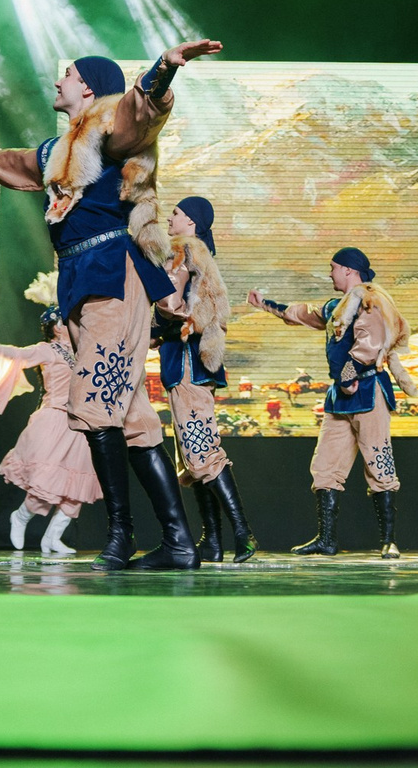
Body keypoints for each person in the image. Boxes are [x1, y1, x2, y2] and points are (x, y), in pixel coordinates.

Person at [0, 41, 222, 570]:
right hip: (81, 283)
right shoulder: (58, 148)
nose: (58, 81)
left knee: (94, 406)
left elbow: (139, 115)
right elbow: (18, 164)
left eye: (67, 74)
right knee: (131, 418)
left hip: (114, 278)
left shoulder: (109, 131)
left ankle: (120, 535)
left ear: (89, 86)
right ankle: (180, 544)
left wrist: (163, 69)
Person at [251, 247, 416, 559]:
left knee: (379, 464)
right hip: (340, 398)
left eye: (333, 268)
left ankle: (388, 541)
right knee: (325, 466)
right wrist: (266, 305)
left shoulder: (370, 303)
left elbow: (369, 345)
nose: (330, 274)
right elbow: (303, 314)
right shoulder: (335, 307)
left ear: (349, 270)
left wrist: (348, 376)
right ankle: (326, 540)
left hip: (368, 391)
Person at [158, 196, 256, 562]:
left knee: (201, 451)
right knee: (192, 454)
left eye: (177, 213)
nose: (170, 218)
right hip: (189, 363)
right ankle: (212, 541)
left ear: (192, 222)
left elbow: (171, 304)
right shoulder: (198, 252)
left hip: (188, 361)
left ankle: (243, 533)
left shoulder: (183, 250)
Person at [0, 274, 101, 556]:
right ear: (55, 327)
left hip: (80, 424)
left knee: (77, 487)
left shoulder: (81, 352)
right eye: (65, 322)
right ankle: (21, 517)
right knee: (47, 483)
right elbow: (20, 355)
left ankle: (52, 538)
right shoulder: (48, 350)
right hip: (54, 420)